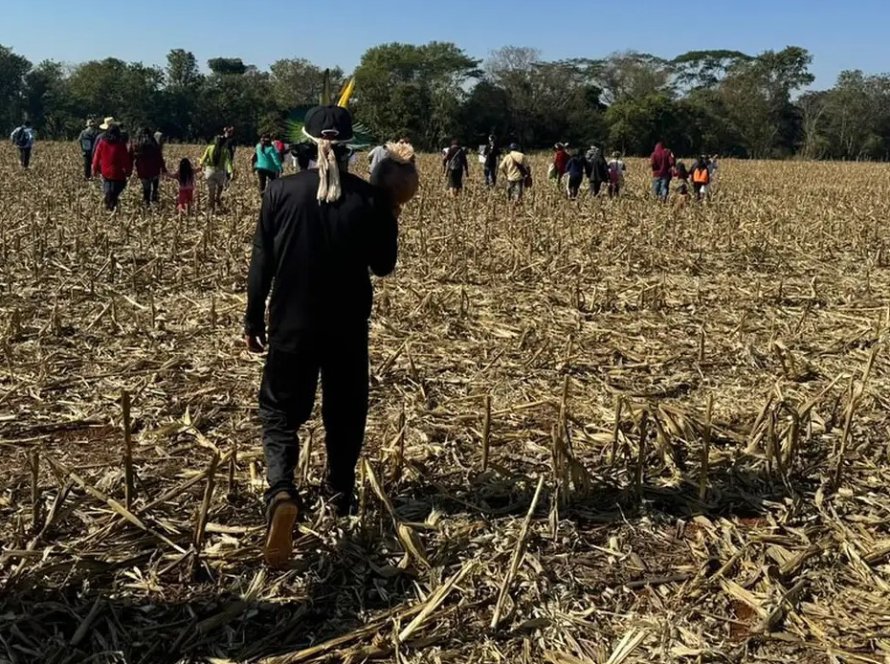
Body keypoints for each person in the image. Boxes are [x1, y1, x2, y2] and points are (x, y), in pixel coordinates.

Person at [243, 104, 402, 569]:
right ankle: (341, 495)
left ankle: (282, 490)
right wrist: (389, 206)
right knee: (345, 410)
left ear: (307, 144)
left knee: (278, 409)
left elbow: (261, 262)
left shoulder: (280, 192)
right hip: (347, 326)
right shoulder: (368, 199)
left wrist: (253, 319)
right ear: (350, 147)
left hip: (291, 324)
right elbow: (384, 266)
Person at [91, 124, 132, 211]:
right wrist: (128, 171)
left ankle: (109, 205)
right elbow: (125, 159)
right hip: (118, 173)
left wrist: (94, 170)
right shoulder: (120, 144)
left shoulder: (102, 143)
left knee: (108, 189)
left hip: (105, 172)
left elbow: (96, 157)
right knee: (116, 190)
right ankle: (112, 205)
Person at [130, 127, 166, 205]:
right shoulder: (153, 143)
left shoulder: (137, 144)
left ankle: (146, 203)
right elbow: (159, 157)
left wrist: (129, 169)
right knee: (155, 187)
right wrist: (163, 169)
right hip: (154, 170)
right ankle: (154, 200)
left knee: (146, 188)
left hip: (143, 171)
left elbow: (131, 157)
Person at [199, 134, 233, 211]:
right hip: (220, 172)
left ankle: (212, 207)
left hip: (209, 172)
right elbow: (228, 163)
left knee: (211, 191)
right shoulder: (225, 151)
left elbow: (203, 158)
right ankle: (217, 197)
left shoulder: (209, 148)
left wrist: (201, 163)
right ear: (224, 142)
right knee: (220, 186)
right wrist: (231, 172)